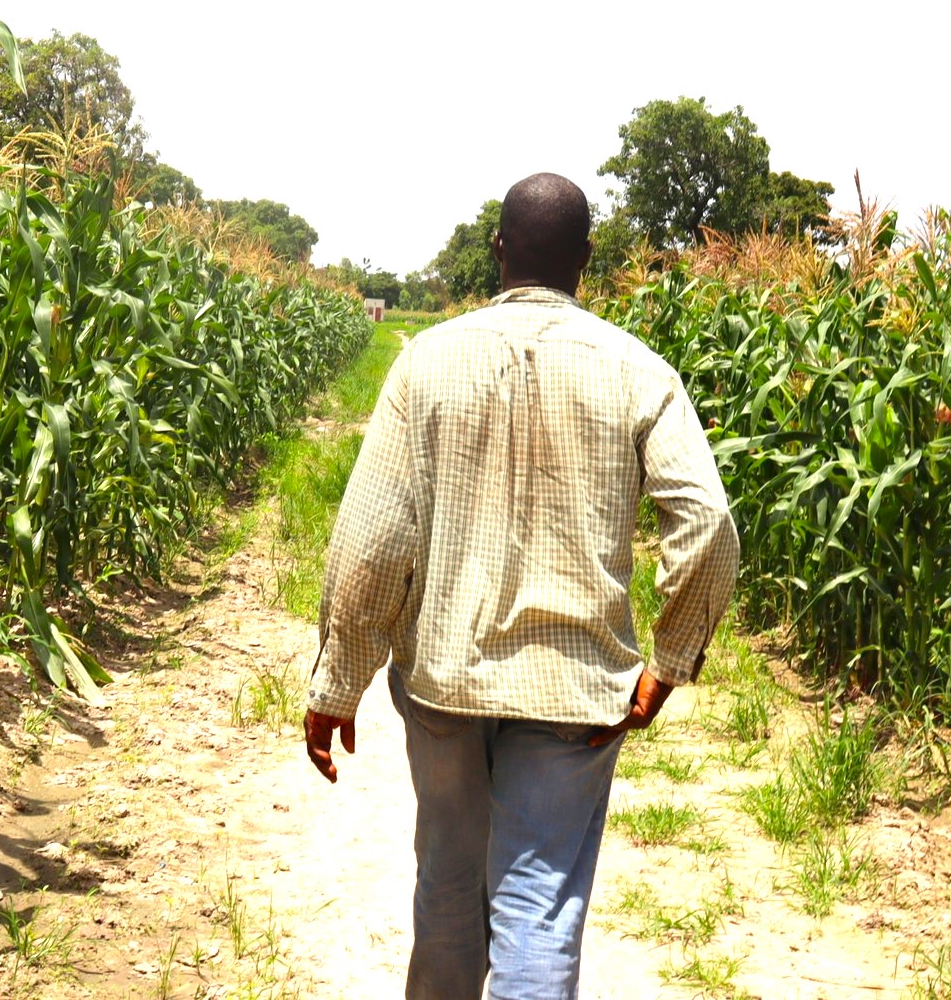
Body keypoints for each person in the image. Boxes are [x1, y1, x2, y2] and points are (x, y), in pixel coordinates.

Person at [303, 172, 740, 1000]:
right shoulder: (640, 370)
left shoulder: (425, 361)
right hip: (574, 692)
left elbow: (373, 537)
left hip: (442, 681)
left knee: (445, 893)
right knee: (537, 910)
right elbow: (711, 525)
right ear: (586, 259)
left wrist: (338, 681)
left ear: (499, 249)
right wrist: (671, 659)